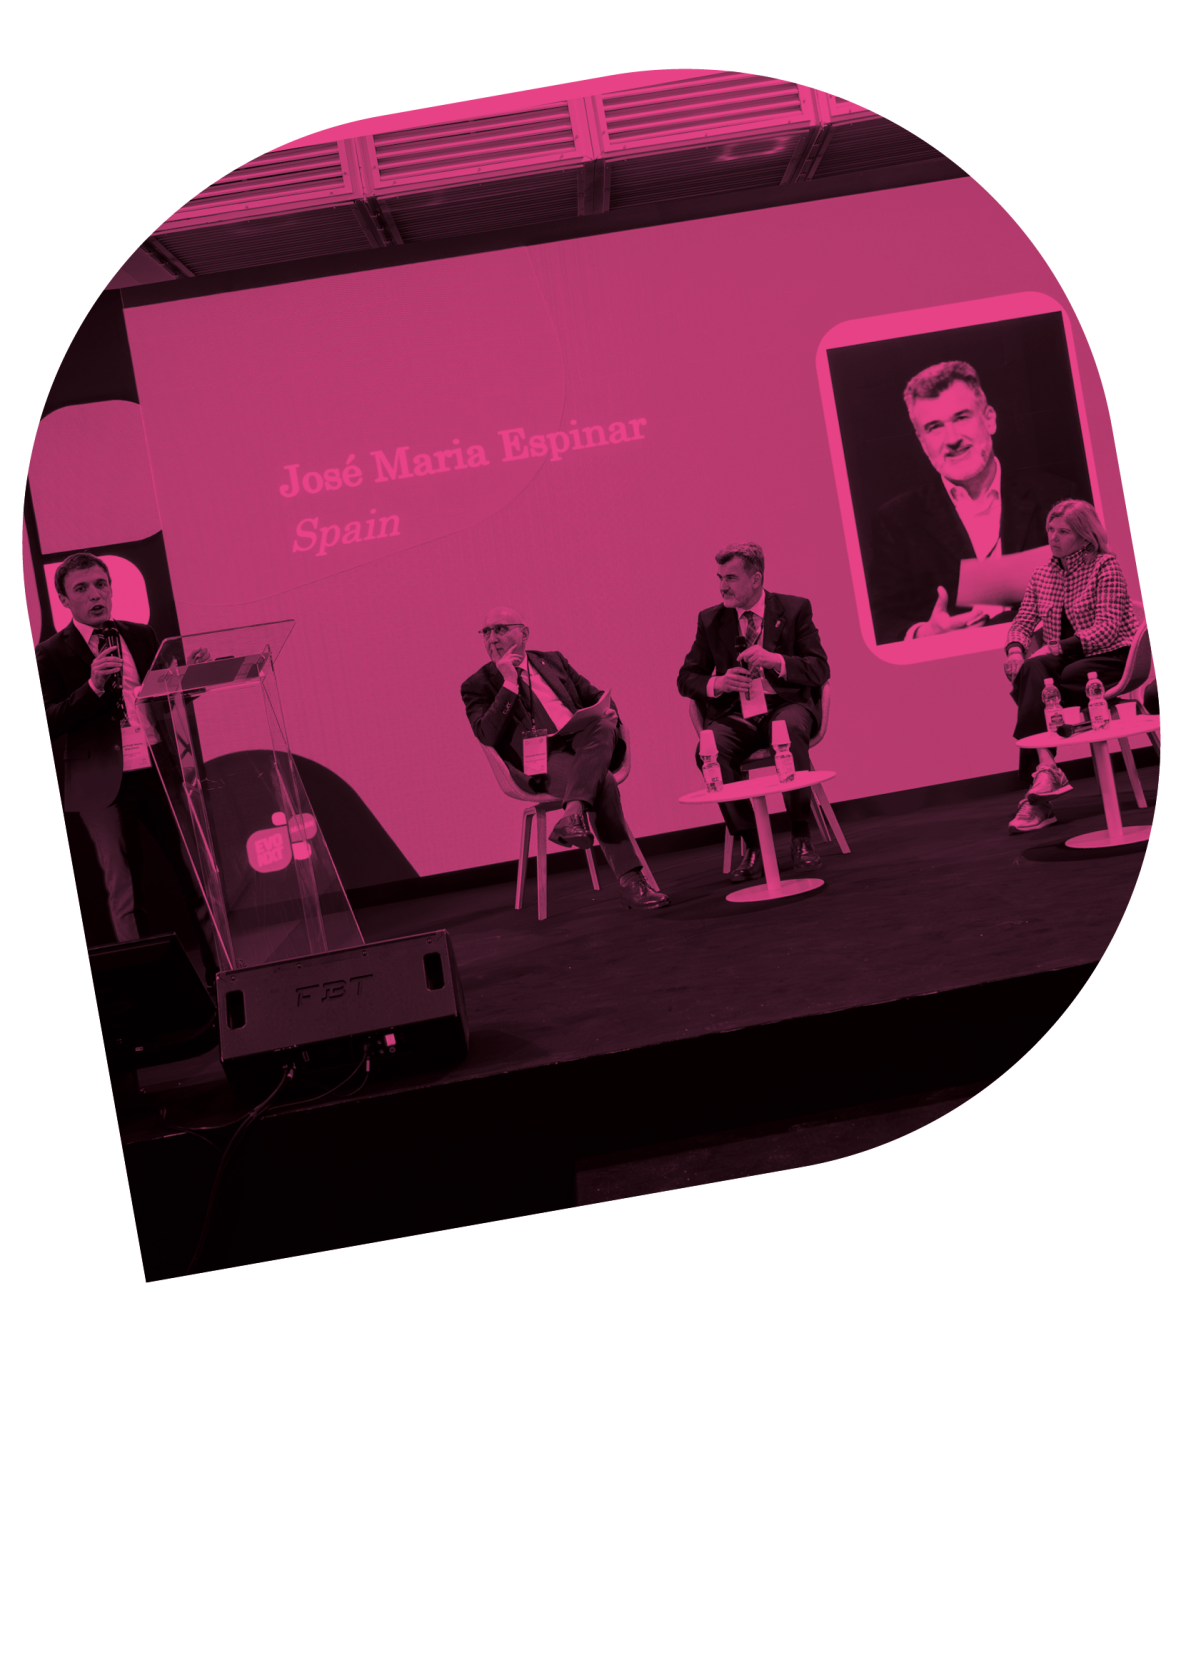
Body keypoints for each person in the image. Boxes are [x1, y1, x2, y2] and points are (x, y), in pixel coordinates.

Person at [33, 551, 222, 984]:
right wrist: (93, 686)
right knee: (126, 893)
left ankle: (222, 978)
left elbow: (158, 697)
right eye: (82, 588)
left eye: (101, 584)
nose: (94, 594)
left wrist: (189, 682)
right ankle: (148, 992)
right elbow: (49, 720)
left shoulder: (141, 634)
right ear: (64, 600)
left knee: (196, 878)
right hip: (101, 783)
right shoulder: (50, 652)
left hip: (157, 770)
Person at [461, 606, 671, 911]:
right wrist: (508, 683)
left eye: (501, 629)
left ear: (524, 634)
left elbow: (596, 697)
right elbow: (487, 734)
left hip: (585, 743)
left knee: (604, 725)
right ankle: (630, 882)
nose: (492, 638)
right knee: (603, 782)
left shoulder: (553, 661)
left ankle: (572, 815)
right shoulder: (478, 684)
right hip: (541, 761)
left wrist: (609, 712)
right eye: (486, 632)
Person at [865, 360, 1079, 645]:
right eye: (934, 427)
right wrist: (928, 633)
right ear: (922, 441)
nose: (952, 439)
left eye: (961, 418)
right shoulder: (896, 521)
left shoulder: (1058, 497)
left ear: (989, 419)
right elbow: (881, 624)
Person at [677, 543, 830, 883]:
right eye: (719, 578)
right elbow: (686, 678)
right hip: (736, 715)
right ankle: (752, 845)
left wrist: (776, 661)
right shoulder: (710, 620)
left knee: (788, 731)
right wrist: (719, 683)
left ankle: (801, 836)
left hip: (784, 705)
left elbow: (820, 669)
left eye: (730, 578)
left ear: (756, 579)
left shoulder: (794, 609)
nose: (722, 587)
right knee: (709, 750)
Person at [1002, 501, 1139, 832]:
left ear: (1085, 536)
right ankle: (1046, 769)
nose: (1053, 537)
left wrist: (1054, 647)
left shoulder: (1105, 568)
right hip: (1066, 662)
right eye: (1050, 530)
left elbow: (1107, 628)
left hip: (1112, 656)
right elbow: (1022, 622)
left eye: (1063, 531)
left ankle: (1039, 797)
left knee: (1041, 682)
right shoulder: (1042, 575)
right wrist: (1015, 650)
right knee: (1032, 671)